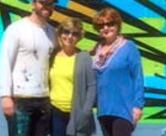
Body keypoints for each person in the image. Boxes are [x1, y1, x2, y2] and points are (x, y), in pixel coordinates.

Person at [0, 0, 58, 136]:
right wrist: (5, 96)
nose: (46, 7)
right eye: (43, 3)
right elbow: (4, 62)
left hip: (44, 99)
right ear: (33, 4)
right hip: (20, 98)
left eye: (51, 4)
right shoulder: (16, 29)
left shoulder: (52, 33)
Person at [91, 8, 144, 136]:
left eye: (110, 24)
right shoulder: (97, 50)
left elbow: (138, 77)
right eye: (101, 25)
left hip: (123, 110)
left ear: (118, 25)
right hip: (103, 110)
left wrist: (138, 106)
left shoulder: (128, 47)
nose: (105, 28)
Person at [49, 18, 97, 136]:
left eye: (74, 34)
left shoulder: (84, 57)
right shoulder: (52, 56)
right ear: (60, 33)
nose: (70, 36)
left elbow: (92, 86)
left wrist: (85, 112)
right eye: (66, 32)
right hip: (55, 112)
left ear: (79, 37)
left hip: (76, 113)